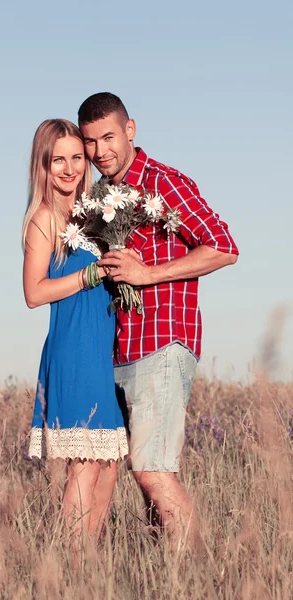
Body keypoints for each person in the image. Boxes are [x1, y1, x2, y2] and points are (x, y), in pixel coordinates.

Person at [77, 92, 239, 544]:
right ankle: (165, 579)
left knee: (151, 470)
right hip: (120, 347)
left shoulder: (164, 181)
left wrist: (147, 274)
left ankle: (206, 576)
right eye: (90, 142)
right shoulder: (100, 196)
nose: (99, 151)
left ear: (130, 130)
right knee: (137, 476)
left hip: (164, 342)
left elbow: (224, 246)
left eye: (108, 136)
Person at [23, 119, 128, 541]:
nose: (69, 168)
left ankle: (87, 574)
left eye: (76, 158)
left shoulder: (91, 218)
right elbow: (33, 292)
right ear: (43, 167)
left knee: (107, 470)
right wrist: (89, 276)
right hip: (75, 351)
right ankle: (64, 575)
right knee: (85, 467)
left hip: (104, 354)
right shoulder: (44, 219)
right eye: (57, 160)